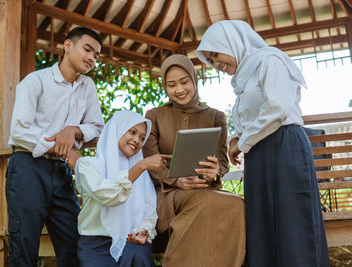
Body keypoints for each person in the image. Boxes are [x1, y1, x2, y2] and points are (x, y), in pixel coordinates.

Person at [196, 20, 330, 267]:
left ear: (231, 41)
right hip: (260, 155)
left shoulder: (269, 60)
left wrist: (243, 142)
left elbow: (277, 108)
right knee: (263, 226)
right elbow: (254, 117)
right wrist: (239, 137)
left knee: (293, 225)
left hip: (285, 148)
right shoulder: (242, 79)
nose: (216, 64)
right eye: (211, 61)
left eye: (216, 54)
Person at [6, 27, 104, 266]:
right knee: (24, 246)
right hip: (28, 166)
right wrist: (56, 144)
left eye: (97, 55)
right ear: (68, 46)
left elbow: (97, 127)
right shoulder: (35, 81)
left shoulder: (87, 86)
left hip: (62, 172)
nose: (92, 58)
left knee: (75, 243)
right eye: (88, 49)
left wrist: (73, 131)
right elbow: (19, 131)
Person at [143, 54, 246, 267]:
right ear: (165, 86)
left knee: (237, 204)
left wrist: (215, 171)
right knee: (204, 201)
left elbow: (222, 160)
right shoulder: (154, 116)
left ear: (194, 80)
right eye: (171, 85)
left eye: (184, 82)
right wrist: (178, 181)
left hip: (204, 188)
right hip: (168, 194)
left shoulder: (216, 116)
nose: (179, 89)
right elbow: (151, 162)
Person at [65, 110, 171, 267]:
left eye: (142, 138)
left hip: (131, 241)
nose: (137, 140)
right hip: (96, 243)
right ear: (117, 130)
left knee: (139, 256)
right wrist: (141, 165)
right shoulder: (89, 165)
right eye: (132, 132)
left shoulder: (142, 175)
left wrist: (143, 232)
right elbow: (109, 196)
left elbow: (148, 209)